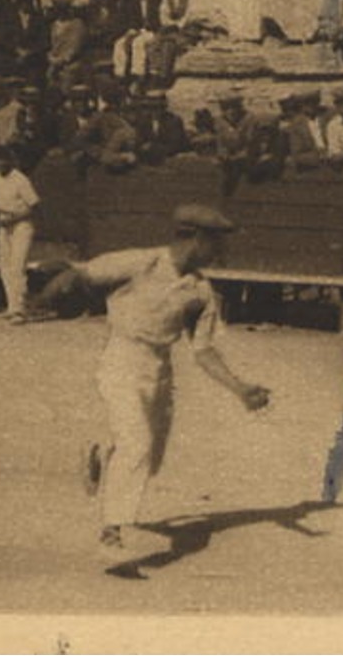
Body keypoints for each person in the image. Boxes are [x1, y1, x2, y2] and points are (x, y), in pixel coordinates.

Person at [35, 204, 270, 563]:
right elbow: (83, 274)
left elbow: (203, 351)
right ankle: (111, 532)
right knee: (139, 445)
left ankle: (101, 454)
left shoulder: (201, 292)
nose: (221, 252)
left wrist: (241, 389)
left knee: (150, 457)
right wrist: (52, 288)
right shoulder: (141, 262)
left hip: (160, 370)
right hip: (121, 359)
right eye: (217, 243)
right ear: (196, 238)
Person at [0, 145, 39, 324]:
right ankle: (11, 307)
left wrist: (14, 219)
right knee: (5, 266)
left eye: (3, 159)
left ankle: (20, 310)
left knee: (18, 266)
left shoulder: (20, 180)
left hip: (22, 225)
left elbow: (34, 207)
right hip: (4, 225)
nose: (0, 163)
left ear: (10, 160)